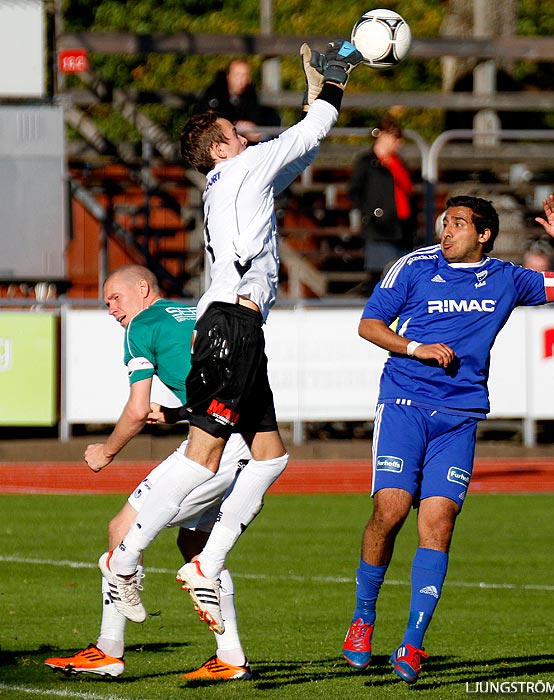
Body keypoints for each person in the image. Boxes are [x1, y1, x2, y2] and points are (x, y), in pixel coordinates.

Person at [97, 42, 365, 634]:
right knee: (206, 453)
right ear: (221, 146)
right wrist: (336, 77)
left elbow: (298, 151)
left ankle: (205, 564)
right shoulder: (244, 167)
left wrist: (313, 91)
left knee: (271, 455)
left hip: (239, 325)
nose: (244, 133)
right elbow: (313, 129)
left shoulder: (233, 177)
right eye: (233, 131)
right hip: (232, 325)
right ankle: (127, 557)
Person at [342, 193, 554, 684]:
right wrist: (415, 347)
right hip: (405, 404)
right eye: (444, 222)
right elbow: (368, 324)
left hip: (459, 416)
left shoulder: (506, 278)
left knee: (440, 522)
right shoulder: (413, 267)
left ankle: (412, 643)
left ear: (484, 235)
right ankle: (362, 619)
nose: (446, 230)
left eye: (458, 223)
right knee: (389, 510)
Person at [44, 265, 255, 680]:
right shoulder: (194, 311)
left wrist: (105, 452)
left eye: (114, 298)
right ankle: (230, 656)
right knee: (196, 545)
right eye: (106, 302)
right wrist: (181, 412)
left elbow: (137, 408)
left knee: (121, 529)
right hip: (248, 438)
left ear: (143, 289)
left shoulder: (142, 325)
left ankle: (109, 648)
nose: (110, 309)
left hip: (213, 443)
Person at [349, 113, 417, 292]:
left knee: (401, 277)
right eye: (395, 137)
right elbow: (355, 191)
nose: (398, 142)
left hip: (401, 227)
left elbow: (408, 191)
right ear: (383, 136)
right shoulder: (366, 163)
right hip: (379, 228)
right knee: (380, 276)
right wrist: (368, 214)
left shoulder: (398, 163)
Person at [194, 59, 280, 143]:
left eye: (245, 75)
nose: (242, 79)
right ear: (228, 76)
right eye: (237, 75)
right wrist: (234, 127)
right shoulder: (214, 93)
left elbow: (255, 119)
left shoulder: (250, 94)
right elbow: (204, 121)